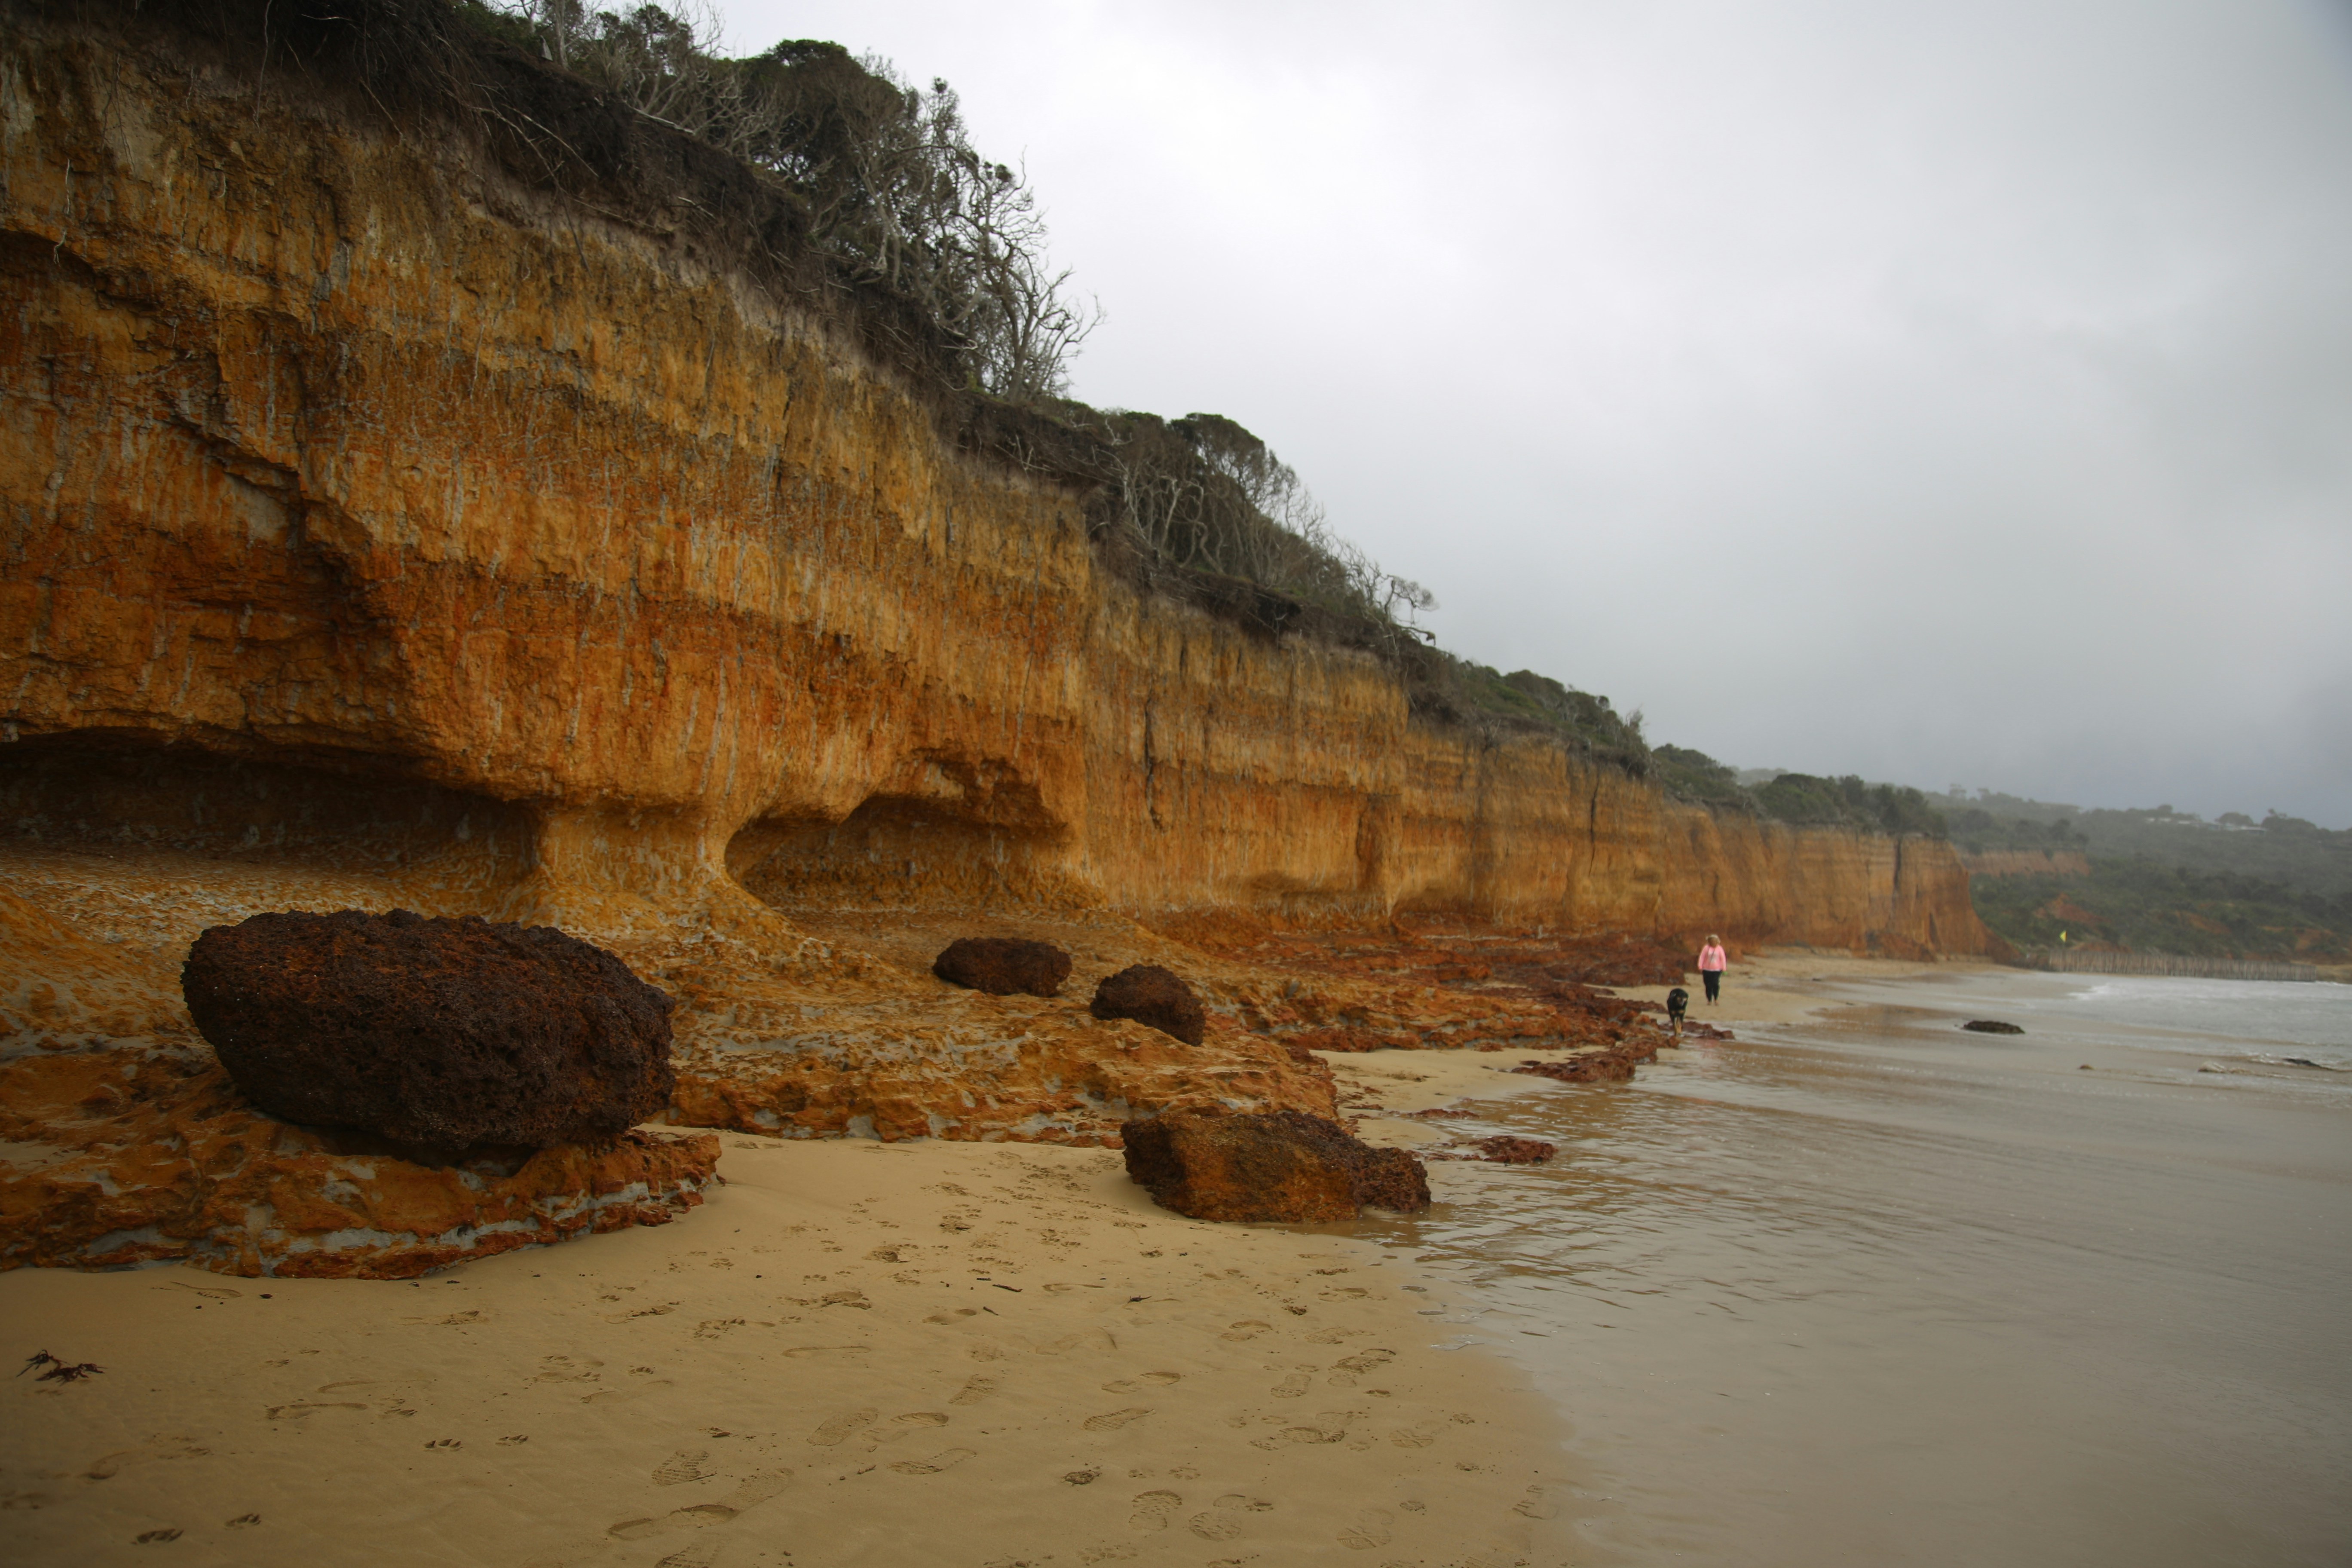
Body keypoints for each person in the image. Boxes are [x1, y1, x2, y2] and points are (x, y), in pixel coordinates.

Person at [1697, 934, 1727, 1005]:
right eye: (1712, 941)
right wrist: (1700, 967)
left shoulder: (1720, 949)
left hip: (1717, 970)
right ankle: (1709, 1000)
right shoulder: (1706, 948)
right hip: (1706, 970)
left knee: (1716, 984)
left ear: (1717, 942)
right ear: (1709, 941)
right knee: (1708, 985)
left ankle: (1716, 999)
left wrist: (1724, 968)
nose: (1713, 942)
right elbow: (1702, 957)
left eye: (1715, 941)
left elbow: (1723, 959)